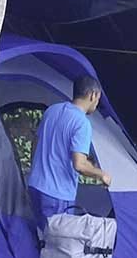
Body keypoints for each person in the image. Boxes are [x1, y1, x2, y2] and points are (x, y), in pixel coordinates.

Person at [28, 75, 112, 230]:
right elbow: (79, 164)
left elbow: (36, 142)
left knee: (38, 237)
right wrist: (102, 175)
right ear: (93, 95)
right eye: (98, 98)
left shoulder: (52, 110)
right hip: (57, 194)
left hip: (35, 185)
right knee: (58, 245)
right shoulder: (82, 123)